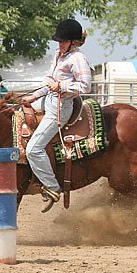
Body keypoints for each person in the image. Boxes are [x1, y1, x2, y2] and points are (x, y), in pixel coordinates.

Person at [22, 19, 92, 211]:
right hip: (49, 99)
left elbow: (86, 86)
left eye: (63, 41)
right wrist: (33, 96)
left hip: (62, 106)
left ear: (74, 42)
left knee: (34, 149)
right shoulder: (59, 54)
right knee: (20, 112)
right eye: (59, 41)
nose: (59, 44)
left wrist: (61, 86)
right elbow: (49, 81)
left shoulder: (78, 59)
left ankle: (52, 187)